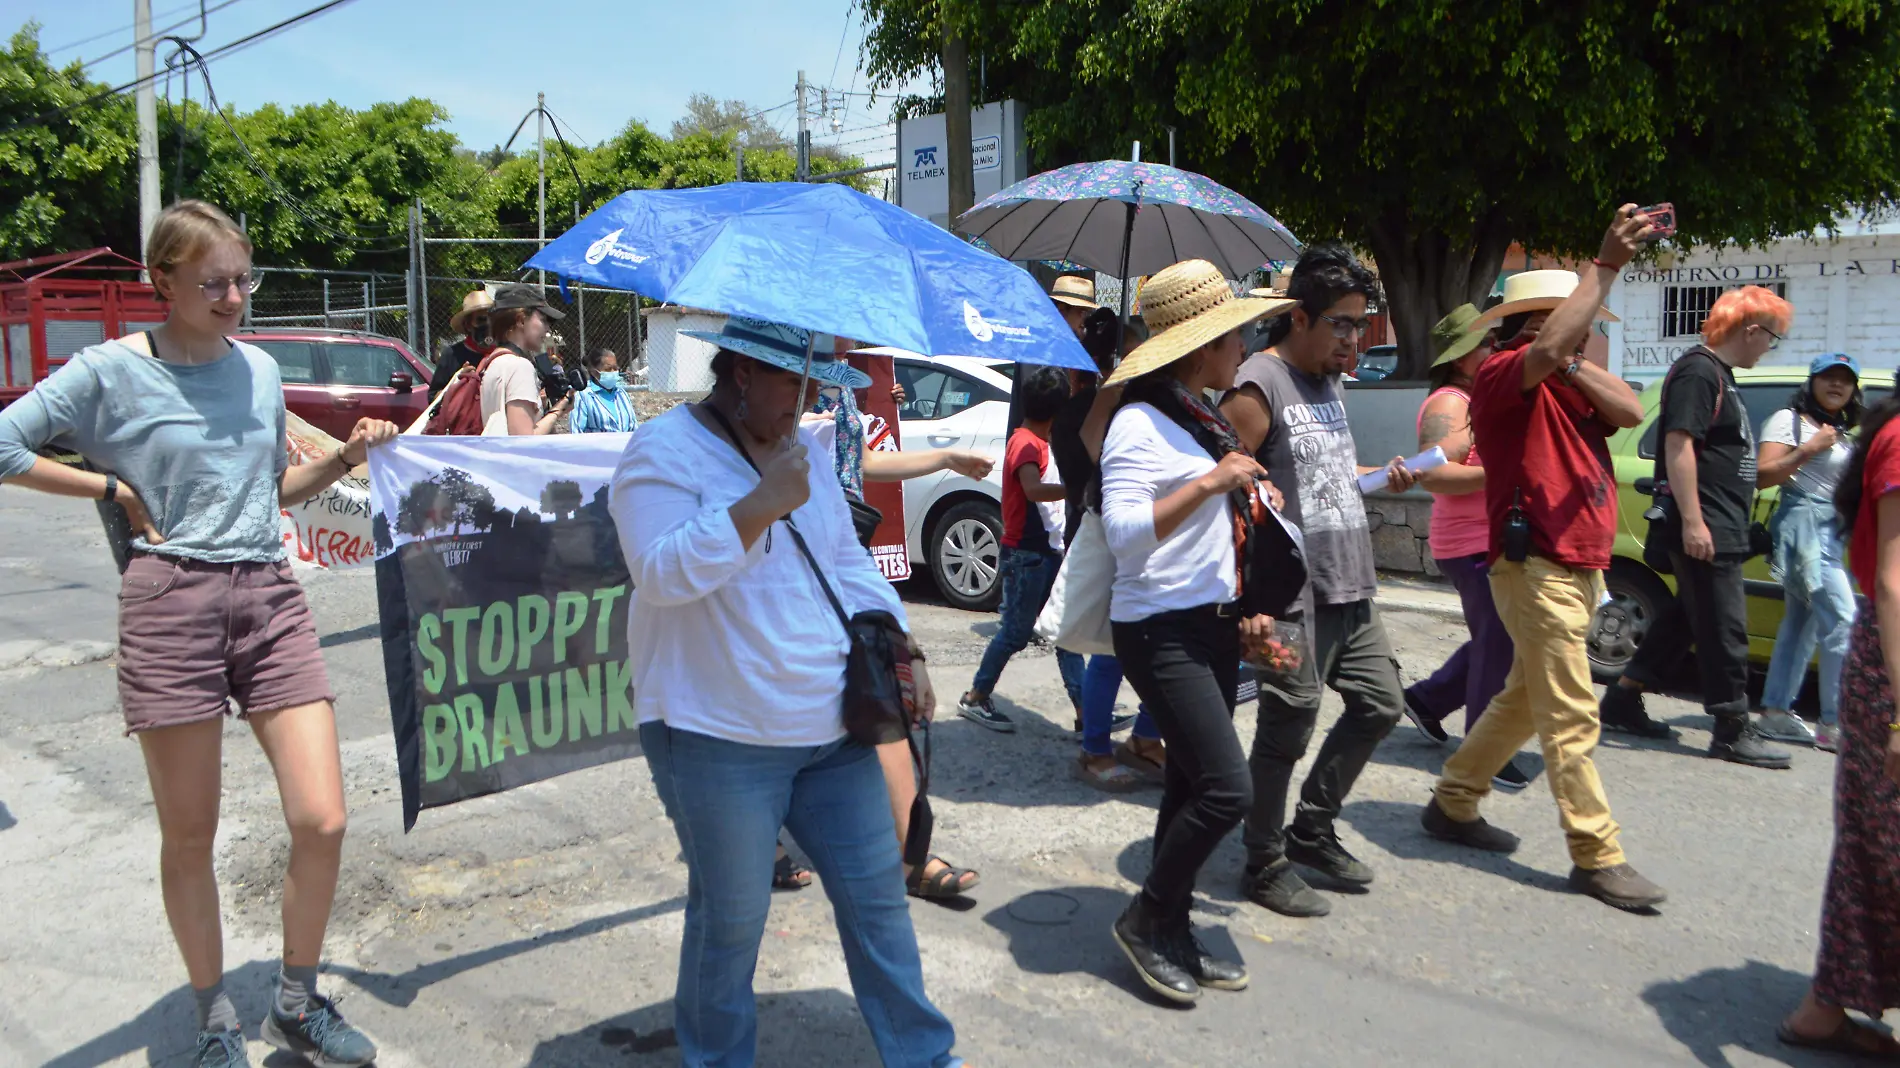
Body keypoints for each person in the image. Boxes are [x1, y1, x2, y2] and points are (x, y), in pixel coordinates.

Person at [0, 199, 395, 1068]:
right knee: (190, 835)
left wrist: (339, 460)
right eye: (212, 282)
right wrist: (111, 491)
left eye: (241, 280)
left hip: (267, 595)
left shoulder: (255, 370)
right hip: (169, 602)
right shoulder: (108, 371)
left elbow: (267, 492)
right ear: (162, 282)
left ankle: (294, 1003)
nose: (231, 297)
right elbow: (3, 444)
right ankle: (216, 1019)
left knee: (323, 817)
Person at [610, 317, 964, 1068]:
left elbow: (849, 565)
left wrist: (908, 644)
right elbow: (659, 573)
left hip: (831, 730)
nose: (806, 403)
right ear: (740, 373)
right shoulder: (662, 451)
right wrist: (757, 505)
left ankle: (925, 1056)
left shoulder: (800, 451)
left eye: (815, 387)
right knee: (731, 922)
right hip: (716, 737)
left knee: (878, 906)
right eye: (793, 385)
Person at [1420, 208, 1666, 913]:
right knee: (1570, 711)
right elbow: (1552, 347)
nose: (1589, 330)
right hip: (1536, 564)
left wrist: (1575, 360)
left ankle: (1453, 801)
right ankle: (1597, 853)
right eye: (1577, 320)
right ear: (1539, 324)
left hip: (1575, 563)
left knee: (1525, 700)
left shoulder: (1571, 379)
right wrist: (1606, 265)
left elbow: (1627, 409)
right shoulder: (1500, 375)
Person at [1099, 258, 1287, 1002]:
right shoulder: (1140, 423)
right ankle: (1147, 918)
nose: (1243, 346)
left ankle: (1172, 924)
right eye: (1231, 335)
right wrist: (1209, 482)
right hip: (1157, 630)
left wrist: (1244, 611)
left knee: (1186, 785)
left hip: (1208, 628)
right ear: (1199, 348)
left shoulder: (1198, 418)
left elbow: (1214, 539)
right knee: (1227, 789)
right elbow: (1123, 535)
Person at [1217, 244, 1416, 918]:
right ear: (1298, 317)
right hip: (1288, 597)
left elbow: (1320, 474)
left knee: (1381, 703)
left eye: (1361, 325)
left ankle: (1311, 827)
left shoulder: (1329, 378)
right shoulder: (1255, 389)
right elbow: (1227, 501)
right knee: (1287, 725)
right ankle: (1264, 859)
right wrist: (1248, 605)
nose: (1354, 339)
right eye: (1343, 324)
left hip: (1349, 582)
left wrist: (1376, 476)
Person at [781, 351, 992, 900]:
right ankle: (763, 839)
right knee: (798, 700)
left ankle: (907, 855)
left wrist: (944, 458)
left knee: (879, 696)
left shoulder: (843, 379)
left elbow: (863, 463)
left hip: (845, 543)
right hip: (788, 552)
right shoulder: (787, 375)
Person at [1599, 285, 1797, 769]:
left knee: (1686, 619)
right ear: (1751, 330)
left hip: (1719, 521)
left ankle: (1622, 700)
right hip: (1705, 524)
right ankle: (1731, 728)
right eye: (1773, 337)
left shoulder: (1718, 374)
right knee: (1726, 628)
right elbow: (1679, 445)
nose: (1771, 347)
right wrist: (1693, 521)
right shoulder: (1699, 371)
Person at [1777, 390, 1900, 1057]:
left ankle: (1826, 1007)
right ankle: (1823, 1007)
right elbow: (1893, 583)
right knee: (1879, 844)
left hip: (1882, 664)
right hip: (1892, 671)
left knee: (1871, 842)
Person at [1400, 306, 1529, 788]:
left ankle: (1427, 700)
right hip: (1470, 542)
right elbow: (1433, 474)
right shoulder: (1451, 403)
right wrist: (1503, 475)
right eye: (1486, 344)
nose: (1495, 349)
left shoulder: (1478, 396)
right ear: (1460, 357)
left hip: (1487, 538)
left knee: (1499, 639)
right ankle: (1484, 750)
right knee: (1501, 644)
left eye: (1495, 341)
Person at [1045, 277, 1157, 791]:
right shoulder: (1075, 414)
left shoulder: (1147, 405)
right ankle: (1094, 748)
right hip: (1104, 537)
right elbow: (1083, 473)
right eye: (1130, 357)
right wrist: (1105, 401)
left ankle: (1146, 739)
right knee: (1110, 648)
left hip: (1154, 540)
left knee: (1161, 646)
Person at [956, 367, 1087, 733]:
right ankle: (975, 698)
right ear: (1059, 409)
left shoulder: (1034, 440)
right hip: (1027, 556)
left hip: (1044, 552)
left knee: (1066, 631)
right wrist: (1076, 487)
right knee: (1015, 633)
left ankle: (1086, 712)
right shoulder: (1027, 443)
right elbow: (1031, 489)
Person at [1755, 353, 1864, 753]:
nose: (1836, 385)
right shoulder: (1791, 420)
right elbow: (1763, 475)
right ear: (1812, 382)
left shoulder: (1841, 429)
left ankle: (1775, 713)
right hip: (1804, 530)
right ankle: (1835, 724)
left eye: (1845, 380)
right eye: (1828, 377)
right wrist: (1809, 449)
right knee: (1844, 622)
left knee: (1801, 624)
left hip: (1830, 531)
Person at [479, 284, 572, 437]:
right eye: (543, 320)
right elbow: (523, 439)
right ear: (521, 320)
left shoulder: (494, 361)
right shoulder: (519, 366)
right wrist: (559, 408)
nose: (548, 329)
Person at [429, 288, 493, 398]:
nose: (488, 325)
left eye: (492, 319)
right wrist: (456, 383)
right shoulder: (452, 355)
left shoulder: (502, 354)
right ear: (468, 325)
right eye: (481, 320)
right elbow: (433, 397)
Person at [569, 347, 640, 434]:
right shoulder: (583, 397)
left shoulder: (621, 394)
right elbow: (576, 432)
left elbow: (634, 427)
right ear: (594, 372)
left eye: (615, 368)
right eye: (608, 369)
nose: (613, 372)